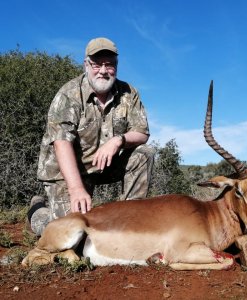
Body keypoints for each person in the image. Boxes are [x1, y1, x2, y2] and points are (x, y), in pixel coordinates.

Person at [28, 37, 155, 236]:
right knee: (69, 232)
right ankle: (37, 211)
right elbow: (61, 143)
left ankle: (131, 223)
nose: (103, 71)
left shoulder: (129, 93)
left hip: (102, 165)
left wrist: (118, 140)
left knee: (143, 153)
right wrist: (77, 189)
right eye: (97, 64)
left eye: (109, 64)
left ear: (116, 66)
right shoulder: (69, 94)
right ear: (86, 64)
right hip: (66, 172)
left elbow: (142, 133)